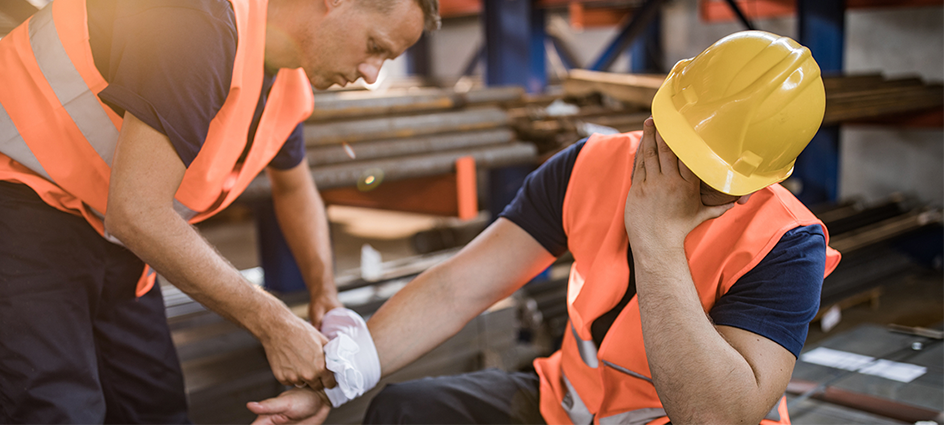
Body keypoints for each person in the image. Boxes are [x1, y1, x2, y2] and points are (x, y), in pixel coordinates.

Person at [248, 31, 842, 425]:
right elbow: (462, 286)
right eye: (673, 144)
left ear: (756, 181)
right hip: (566, 405)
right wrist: (339, 379)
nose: (678, 175)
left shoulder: (786, 244)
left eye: (706, 170)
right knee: (404, 411)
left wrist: (657, 242)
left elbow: (718, 414)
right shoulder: (590, 165)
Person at [0, 0, 439, 423]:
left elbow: (294, 184)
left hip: (103, 223)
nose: (373, 74)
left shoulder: (286, 74)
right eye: (376, 46)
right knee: (54, 409)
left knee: (154, 406)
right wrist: (274, 323)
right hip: (4, 193)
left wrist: (324, 296)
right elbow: (137, 212)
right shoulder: (199, 22)